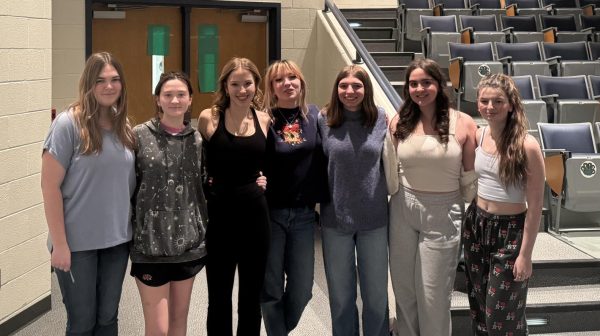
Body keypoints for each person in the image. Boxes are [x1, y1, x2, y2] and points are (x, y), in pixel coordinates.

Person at [41, 51, 136, 335]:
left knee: (108, 319)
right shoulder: (68, 125)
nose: (109, 86)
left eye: (115, 79)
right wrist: (59, 244)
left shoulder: (124, 126)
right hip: (76, 244)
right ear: (88, 84)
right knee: (82, 323)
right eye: (100, 80)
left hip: (117, 242)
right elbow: (49, 187)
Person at [388, 58, 478, 336]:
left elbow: (470, 176)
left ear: (439, 85)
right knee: (404, 290)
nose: (419, 89)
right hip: (403, 207)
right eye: (413, 84)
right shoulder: (398, 120)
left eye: (426, 82)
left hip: (444, 211)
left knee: (433, 295)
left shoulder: (463, 122)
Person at [463, 73, 544, 335]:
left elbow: (535, 206)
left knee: (502, 314)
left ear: (511, 104)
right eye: (484, 101)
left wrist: (525, 255)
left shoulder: (527, 145)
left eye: (497, 101)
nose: (490, 107)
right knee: (479, 308)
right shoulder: (478, 134)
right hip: (476, 224)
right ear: (477, 103)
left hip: (510, 233)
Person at [197, 57, 271, 336]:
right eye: (235, 84)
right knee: (218, 296)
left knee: (251, 297)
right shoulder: (209, 117)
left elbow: (273, 162)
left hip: (255, 217)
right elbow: (198, 164)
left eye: (248, 83)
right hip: (219, 217)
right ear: (225, 86)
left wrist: (266, 180)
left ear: (256, 85)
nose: (242, 90)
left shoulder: (264, 119)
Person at [130, 71, 208, 336]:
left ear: (190, 100)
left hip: (188, 244)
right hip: (150, 245)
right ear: (158, 100)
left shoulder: (198, 140)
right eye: (168, 95)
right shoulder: (139, 136)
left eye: (181, 95)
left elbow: (208, 185)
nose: (175, 100)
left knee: (178, 323)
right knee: (159, 329)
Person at [317, 65, 389, 336]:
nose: (350, 91)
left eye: (356, 86)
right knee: (341, 295)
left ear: (366, 90)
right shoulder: (324, 120)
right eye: (344, 86)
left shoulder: (381, 118)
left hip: (374, 219)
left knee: (376, 296)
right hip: (335, 218)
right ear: (336, 89)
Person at [260, 60, 328, 336]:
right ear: (272, 88)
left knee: (302, 290)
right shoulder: (262, 119)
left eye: (292, 78)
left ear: (301, 82)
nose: (287, 83)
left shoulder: (315, 116)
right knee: (271, 287)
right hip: (269, 215)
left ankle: (278, 330)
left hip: (303, 215)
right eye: (279, 80)